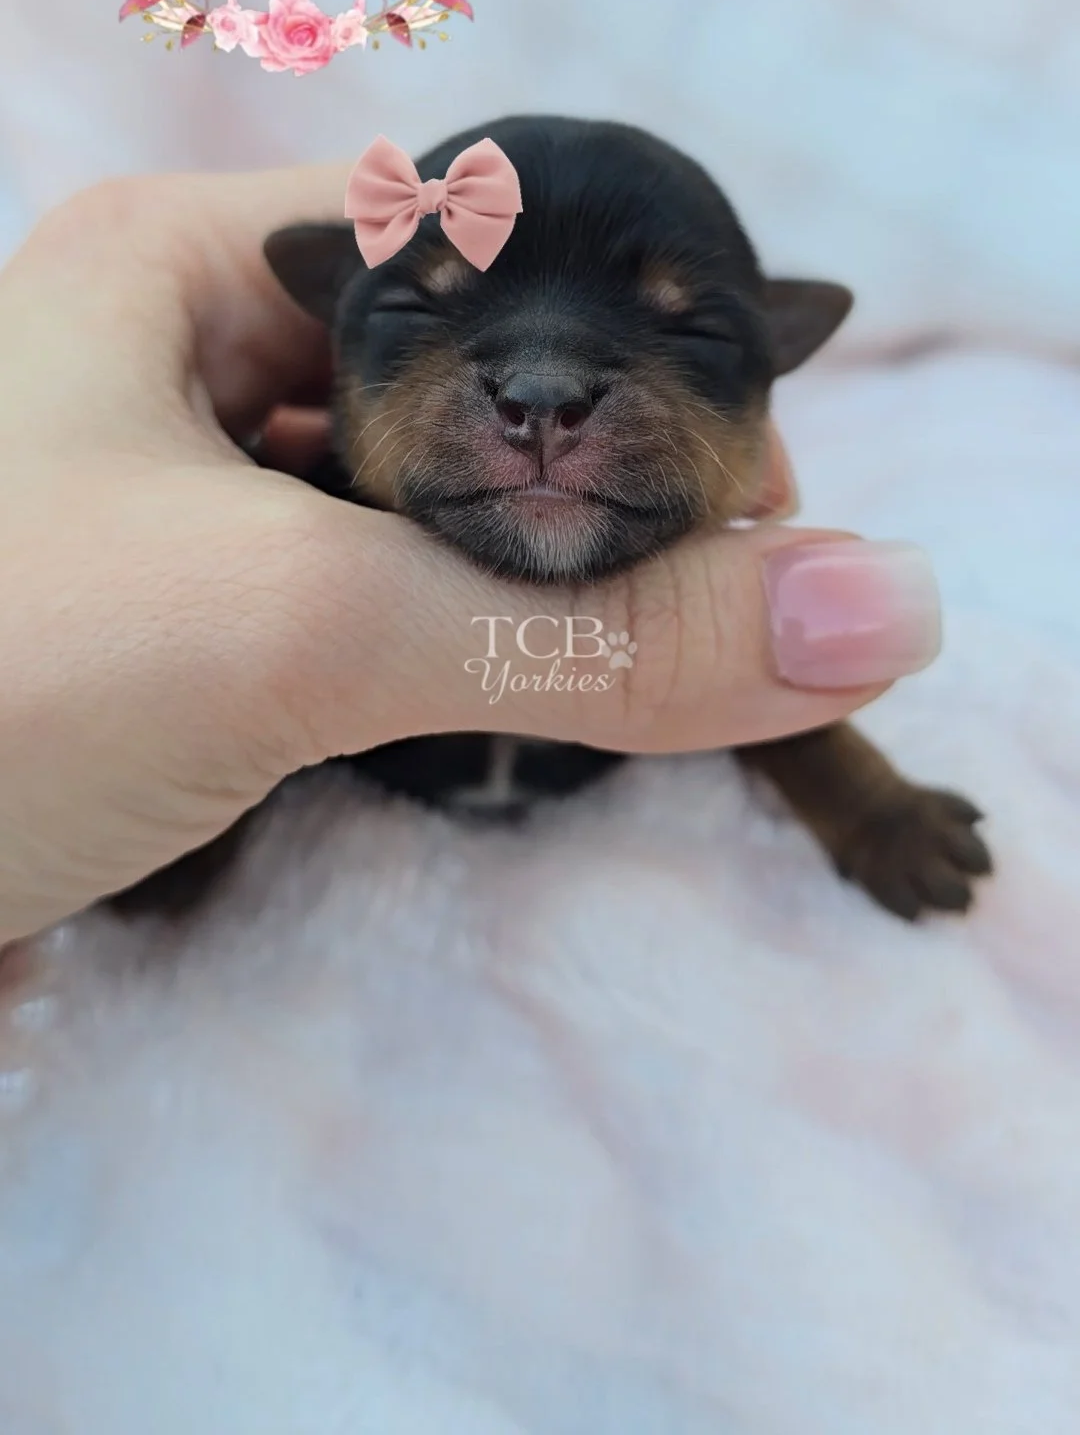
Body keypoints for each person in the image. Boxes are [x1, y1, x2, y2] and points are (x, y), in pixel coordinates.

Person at [0, 166, 942, 943]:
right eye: (417, 310)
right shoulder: (279, 552)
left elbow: (775, 723)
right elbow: (215, 679)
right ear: (333, 344)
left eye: (693, 330)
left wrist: (871, 811)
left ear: (779, 350)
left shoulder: (689, 546)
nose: (544, 389)